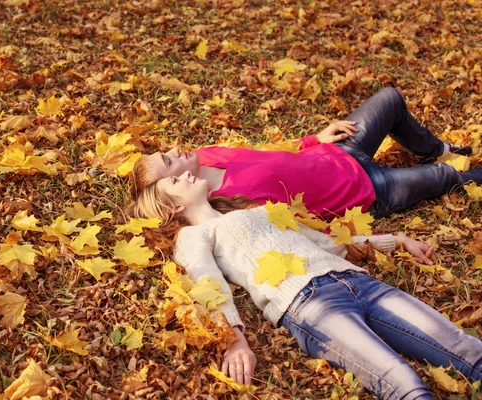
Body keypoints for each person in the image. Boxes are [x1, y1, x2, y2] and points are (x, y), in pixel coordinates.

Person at [129, 170, 482, 400]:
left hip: (359, 282)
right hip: (309, 303)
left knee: (465, 348)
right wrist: (234, 341)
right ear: (173, 207)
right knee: (402, 382)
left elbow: (330, 243)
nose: (186, 173)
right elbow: (207, 282)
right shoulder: (194, 234)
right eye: (175, 182)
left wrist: (397, 240)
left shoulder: (261, 210)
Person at [131, 87, 481, 219]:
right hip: (368, 190)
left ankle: (436, 149)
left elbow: (266, 155)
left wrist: (315, 139)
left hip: (339, 151)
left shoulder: (206, 154)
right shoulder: (231, 206)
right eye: (169, 160)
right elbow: (303, 229)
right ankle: (453, 168)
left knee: (389, 98)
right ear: (173, 183)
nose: (175, 149)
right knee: (447, 178)